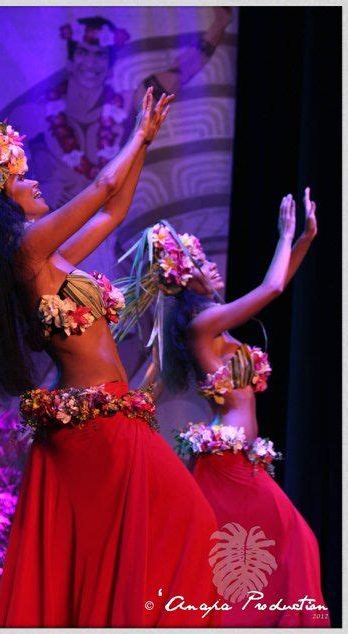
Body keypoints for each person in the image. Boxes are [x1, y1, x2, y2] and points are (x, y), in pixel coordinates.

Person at [0, 56, 221, 628]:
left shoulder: (47, 257)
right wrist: (136, 135)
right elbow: (103, 184)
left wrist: (146, 142)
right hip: (97, 424)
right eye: (24, 177)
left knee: (134, 542)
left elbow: (114, 210)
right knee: (186, 525)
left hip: (104, 421)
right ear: (3, 192)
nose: (35, 181)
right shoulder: (28, 253)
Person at [113, 193, 329, 627]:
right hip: (226, 464)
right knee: (286, 545)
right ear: (184, 278)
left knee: (253, 561)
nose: (213, 267)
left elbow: (278, 283)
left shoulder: (214, 324)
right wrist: (285, 234)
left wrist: (304, 239)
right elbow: (272, 288)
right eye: (202, 264)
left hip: (240, 462)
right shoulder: (201, 326)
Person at [11, 9, 234, 207]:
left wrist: (218, 25)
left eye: (100, 55)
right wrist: (36, 191)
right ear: (70, 60)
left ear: (110, 65)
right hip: (45, 228)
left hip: (101, 234)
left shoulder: (129, 104)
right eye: (83, 52)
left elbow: (179, 73)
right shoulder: (32, 113)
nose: (91, 62)